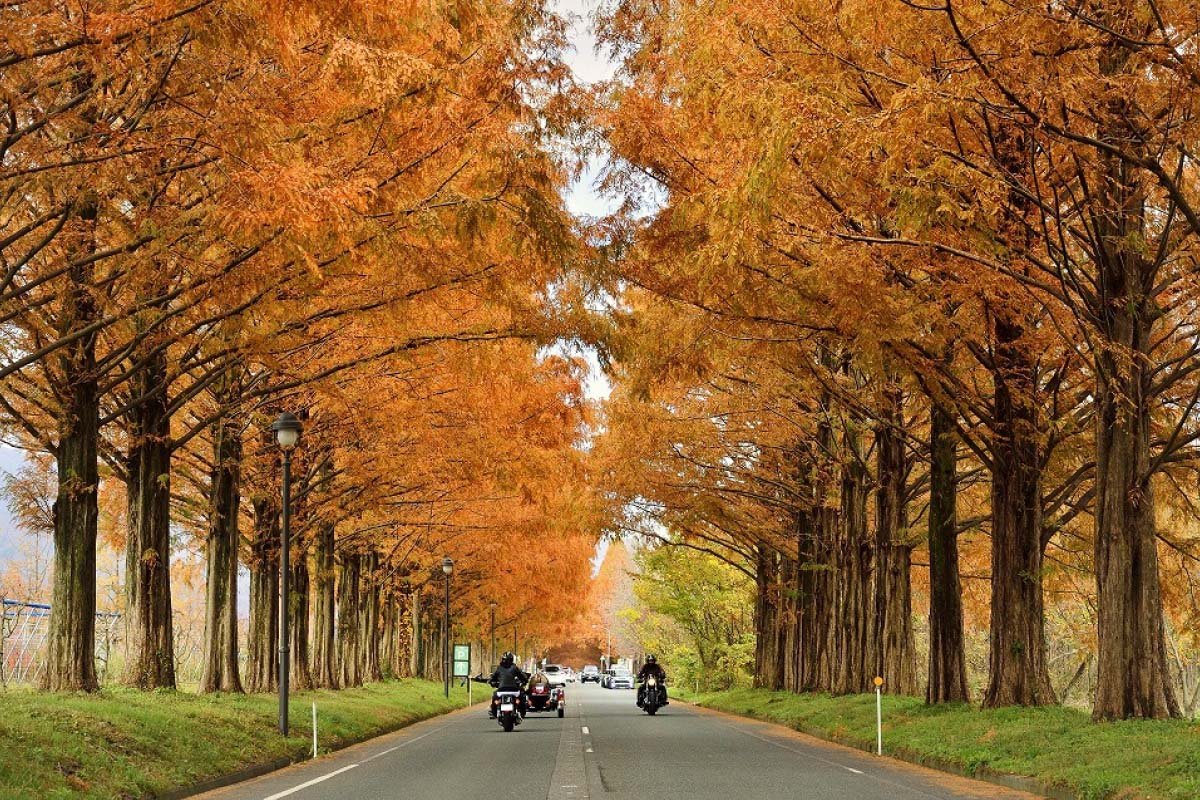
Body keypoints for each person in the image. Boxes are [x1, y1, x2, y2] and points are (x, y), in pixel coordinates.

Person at [484, 652, 529, 718]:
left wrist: (491, 681)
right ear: (512, 659)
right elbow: (522, 676)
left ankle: (494, 713)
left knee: (494, 697)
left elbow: (493, 677)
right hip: (514, 690)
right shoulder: (514, 667)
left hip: (501, 690)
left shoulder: (499, 668)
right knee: (522, 697)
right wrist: (525, 681)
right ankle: (522, 713)